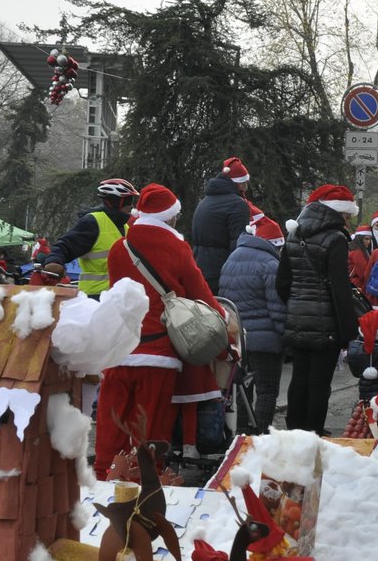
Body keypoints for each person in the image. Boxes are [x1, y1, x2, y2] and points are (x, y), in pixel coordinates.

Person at [94, 184, 225, 477]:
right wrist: (223, 325)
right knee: (150, 429)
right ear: (170, 217)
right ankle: (146, 483)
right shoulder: (177, 248)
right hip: (158, 355)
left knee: (111, 424)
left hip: (119, 351)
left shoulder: (119, 249)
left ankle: (104, 477)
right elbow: (200, 293)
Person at [278, 184, 360, 434]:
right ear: (337, 213)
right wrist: (349, 331)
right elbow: (340, 289)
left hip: (297, 320)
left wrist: (295, 306)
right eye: (346, 216)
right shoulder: (335, 239)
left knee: (299, 378)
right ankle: (312, 434)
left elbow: (282, 282)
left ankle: (294, 432)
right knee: (319, 383)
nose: (347, 221)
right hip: (326, 326)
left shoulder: (294, 234)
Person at [219, 213, 285, 434]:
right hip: (265, 340)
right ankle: (260, 437)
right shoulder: (270, 264)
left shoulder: (232, 257)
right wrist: (286, 336)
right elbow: (277, 310)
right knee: (267, 390)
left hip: (237, 336)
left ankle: (241, 434)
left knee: (242, 388)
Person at [39, 178, 138, 296]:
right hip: (95, 296)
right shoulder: (92, 222)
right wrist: (54, 261)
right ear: (115, 202)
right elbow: (66, 244)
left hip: (118, 295)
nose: (131, 206)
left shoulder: (125, 227)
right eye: (128, 201)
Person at [191, 157, 252, 293]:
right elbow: (239, 242)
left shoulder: (205, 201)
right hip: (222, 273)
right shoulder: (237, 204)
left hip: (201, 269)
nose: (246, 187)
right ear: (238, 183)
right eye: (244, 183)